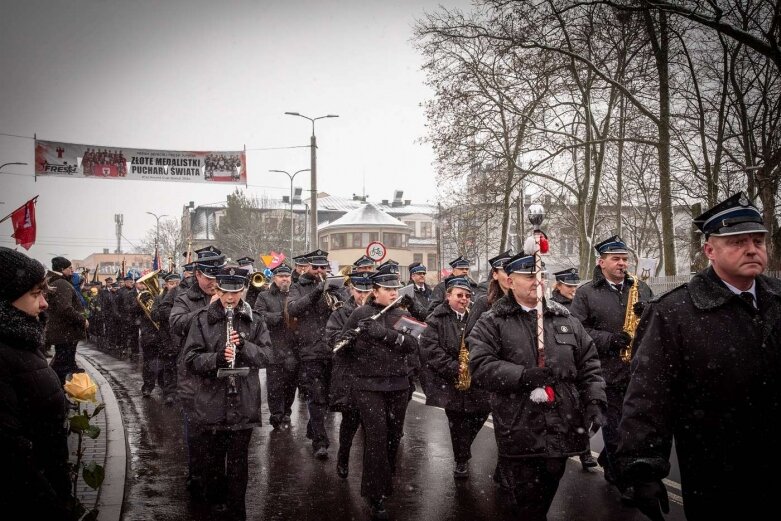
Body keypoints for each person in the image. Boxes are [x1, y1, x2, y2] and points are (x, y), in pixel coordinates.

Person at [616, 192, 781, 521]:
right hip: (719, 475)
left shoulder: (777, 299)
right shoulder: (675, 311)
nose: (751, 249)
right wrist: (642, 465)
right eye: (737, 242)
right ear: (710, 251)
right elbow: (649, 394)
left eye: (758, 241)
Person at [468, 251, 606, 521]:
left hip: (563, 426)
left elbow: (589, 364)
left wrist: (595, 400)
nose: (537, 281)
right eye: (530, 276)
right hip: (520, 426)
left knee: (547, 489)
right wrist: (522, 376)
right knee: (525, 504)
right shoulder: (493, 321)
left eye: (542, 275)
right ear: (510, 280)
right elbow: (480, 366)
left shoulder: (565, 319)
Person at [182, 266, 274, 520]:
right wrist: (217, 359)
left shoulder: (255, 319)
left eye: (235, 292)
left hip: (243, 401)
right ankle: (217, 504)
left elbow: (267, 357)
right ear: (217, 290)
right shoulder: (202, 319)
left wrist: (244, 346)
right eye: (225, 293)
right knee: (213, 461)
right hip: (211, 400)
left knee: (238, 463)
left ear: (243, 290)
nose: (230, 299)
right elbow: (190, 359)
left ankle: (237, 510)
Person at [334, 263, 420, 520]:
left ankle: (385, 480)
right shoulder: (360, 314)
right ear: (375, 291)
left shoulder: (401, 315)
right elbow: (339, 350)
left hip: (398, 385)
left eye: (395, 288)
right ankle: (374, 494)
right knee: (376, 437)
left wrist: (385, 335)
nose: (394, 293)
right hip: (368, 386)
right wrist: (348, 341)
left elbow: (413, 345)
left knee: (394, 436)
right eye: (388, 289)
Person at [570, 235, 652, 499]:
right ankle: (624, 482)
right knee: (615, 429)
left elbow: (658, 322)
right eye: (616, 259)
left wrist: (648, 311)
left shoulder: (639, 287)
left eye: (625, 259)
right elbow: (577, 330)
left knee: (635, 429)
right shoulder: (585, 293)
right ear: (601, 262)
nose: (622, 264)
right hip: (606, 373)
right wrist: (610, 340)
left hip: (638, 372)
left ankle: (610, 460)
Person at [0, 247, 76, 519]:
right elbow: (12, 456)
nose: (44, 303)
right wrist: (53, 505)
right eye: (35, 294)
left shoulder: (22, 339)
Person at [419, 277, 491, 479]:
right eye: (459, 295)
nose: (464, 299)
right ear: (448, 296)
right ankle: (461, 460)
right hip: (450, 380)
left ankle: (463, 448)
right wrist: (453, 367)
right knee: (458, 422)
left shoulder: (475, 316)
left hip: (474, 379)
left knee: (481, 413)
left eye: (468, 296)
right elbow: (429, 349)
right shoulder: (436, 319)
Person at [169, 246, 226, 497]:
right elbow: (176, 323)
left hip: (218, 370)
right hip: (192, 373)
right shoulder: (184, 297)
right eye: (208, 278)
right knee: (195, 430)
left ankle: (216, 479)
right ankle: (195, 473)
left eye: (217, 278)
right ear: (197, 274)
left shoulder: (226, 292)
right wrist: (208, 309)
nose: (214, 283)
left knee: (219, 430)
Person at [287, 249, 342, 459]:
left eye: (323, 267)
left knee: (329, 396)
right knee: (317, 395)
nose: (320, 271)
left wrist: (336, 295)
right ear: (306, 267)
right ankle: (320, 442)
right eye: (315, 267)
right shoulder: (297, 287)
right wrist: (317, 292)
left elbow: (344, 309)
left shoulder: (334, 285)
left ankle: (313, 426)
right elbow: (293, 309)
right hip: (310, 350)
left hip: (332, 349)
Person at [325, 271, 374, 479]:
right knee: (350, 421)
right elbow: (333, 341)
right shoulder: (340, 312)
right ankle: (343, 455)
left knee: (372, 427)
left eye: (367, 291)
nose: (363, 296)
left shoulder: (379, 310)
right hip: (351, 375)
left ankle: (371, 473)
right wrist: (354, 335)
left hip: (373, 375)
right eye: (359, 291)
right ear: (351, 290)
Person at [549, 267, 597, 471]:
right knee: (566, 412)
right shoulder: (553, 307)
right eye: (569, 286)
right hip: (563, 364)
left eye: (576, 286)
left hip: (581, 357)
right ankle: (576, 450)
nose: (573, 290)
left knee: (585, 410)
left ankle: (583, 449)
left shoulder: (581, 303)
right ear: (558, 285)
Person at [254, 263, 299, 430]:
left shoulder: (296, 293)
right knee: (274, 384)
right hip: (273, 345)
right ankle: (276, 416)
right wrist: (280, 317)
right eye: (281, 276)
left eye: (287, 276)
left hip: (293, 347)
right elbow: (258, 317)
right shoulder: (264, 296)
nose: (285, 279)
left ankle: (286, 410)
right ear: (274, 278)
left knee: (291, 383)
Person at [45, 256, 87, 383]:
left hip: (62, 332)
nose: (72, 270)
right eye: (70, 268)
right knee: (61, 367)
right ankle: (60, 394)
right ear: (62, 269)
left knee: (62, 363)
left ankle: (59, 390)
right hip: (65, 332)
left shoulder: (55, 281)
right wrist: (82, 320)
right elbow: (65, 308)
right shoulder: (62, 283)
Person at [150, 272, 181, 404]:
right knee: (168, 365)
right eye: (171, 283)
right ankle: (169, 392)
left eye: (177, 283)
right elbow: (154, 315)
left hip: (180, 336)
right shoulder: (159, 297)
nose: (174, 286)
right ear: (166, 284)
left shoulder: (183, 296)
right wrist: (169, 313)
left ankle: (179, 391)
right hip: (166, 336)